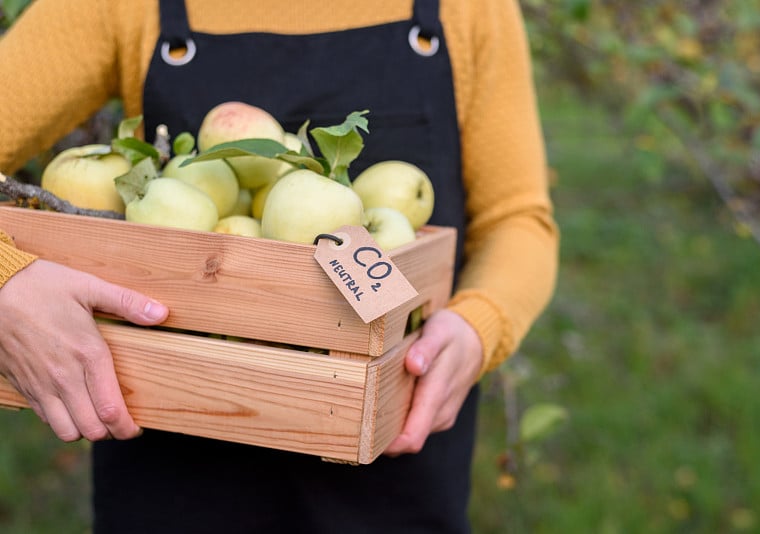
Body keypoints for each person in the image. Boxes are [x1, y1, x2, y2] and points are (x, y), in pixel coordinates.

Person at [0, 0, 559, 532]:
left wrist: (477, 326)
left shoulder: (466, 9)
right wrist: (8, 280)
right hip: (171, 470)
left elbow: (518, 218)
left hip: (392, 474)